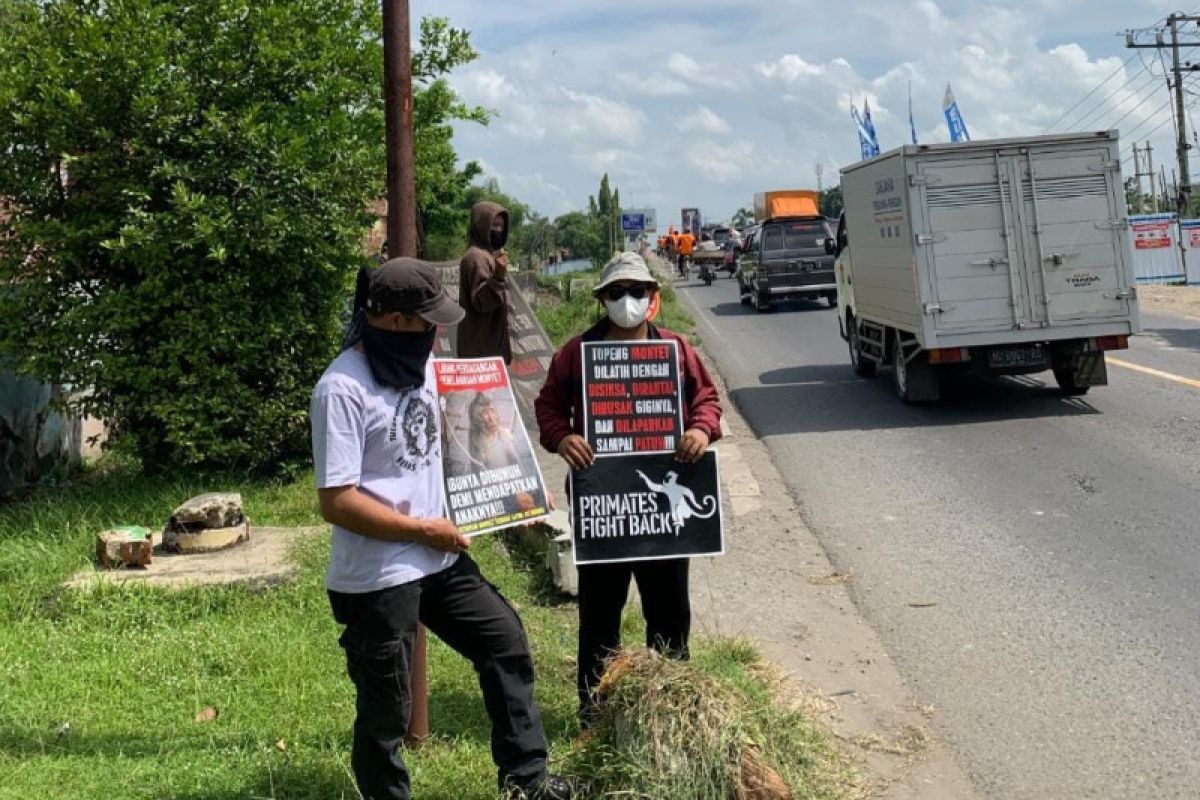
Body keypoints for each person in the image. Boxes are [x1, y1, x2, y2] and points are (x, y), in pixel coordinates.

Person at [311, 257, 572, 800]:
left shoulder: (426, 368)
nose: (435, 334)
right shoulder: (342, 388)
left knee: (504, 643)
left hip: (439, 559)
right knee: (389, 710)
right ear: (398, 320)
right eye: (427, 320)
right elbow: (337, 502)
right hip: (379, 574)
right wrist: (420, 530)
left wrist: (511, 489)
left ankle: (527, 782)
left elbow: (465, 444)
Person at [533, 252, 723, 725]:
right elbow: (547, 406)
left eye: (637, 292)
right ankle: (595, 717)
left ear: (653, 299)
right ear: (602, 299)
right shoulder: (575, 355)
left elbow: (708, 399)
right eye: (617, 293)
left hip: (662, 517)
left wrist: (700, 430)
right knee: (599, 617)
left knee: (670, 614)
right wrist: (563, 438)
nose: (628, 302)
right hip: (604, 509)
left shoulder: (677, 350)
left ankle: (670, 714)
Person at [459, 201, 512, 363]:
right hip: (480, 354)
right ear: (482, 226)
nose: (498, 230)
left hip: (488, 350)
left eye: (501, 226)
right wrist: (497, 277)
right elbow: (483, 302)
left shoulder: (488, 255)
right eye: (494, 225)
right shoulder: (476, 257)